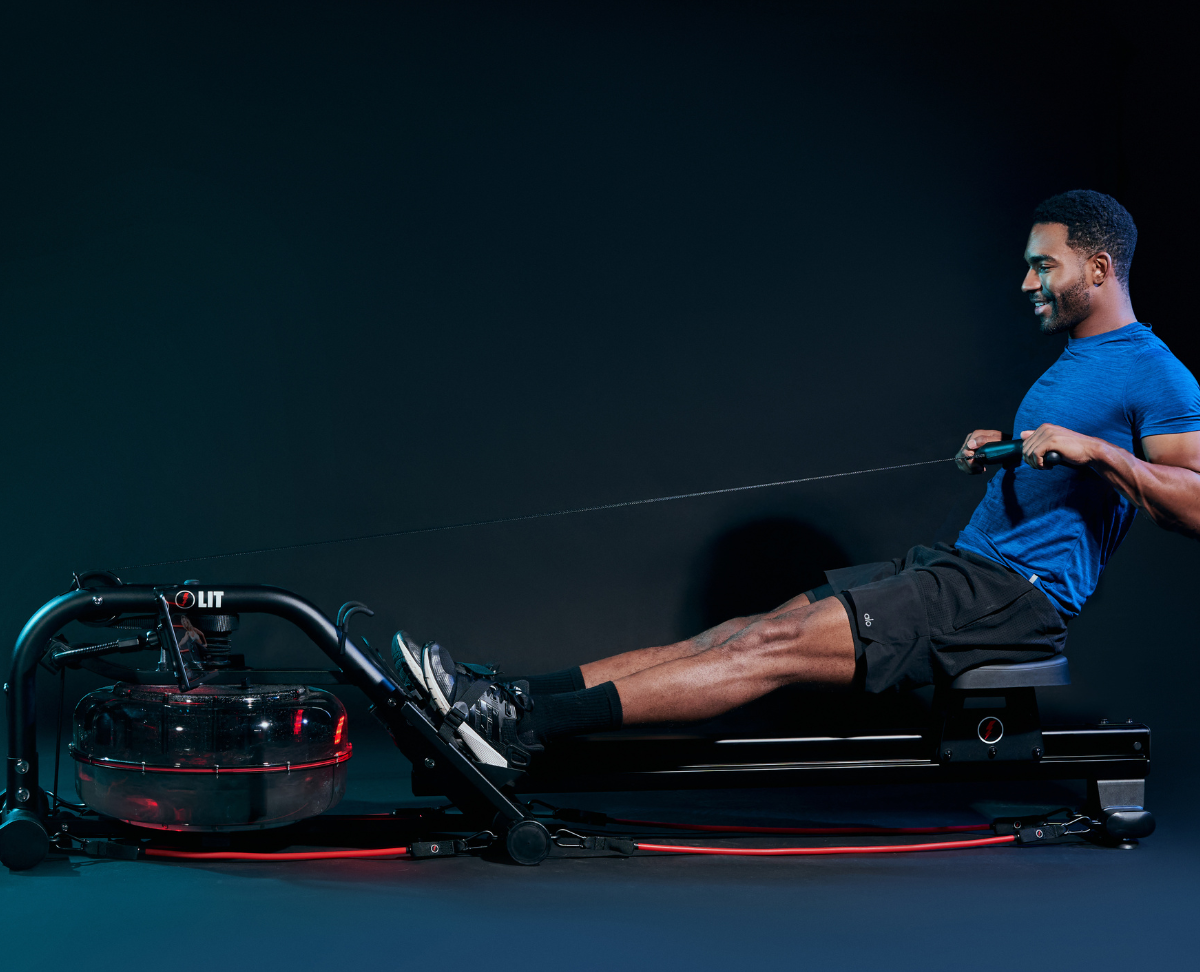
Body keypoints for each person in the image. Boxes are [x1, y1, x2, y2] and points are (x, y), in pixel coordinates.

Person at [393, 190, 1200, 769]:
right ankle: (504, 698)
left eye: (1042, 266)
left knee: (769, 647)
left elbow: (1192, 502)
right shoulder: (1078, 362)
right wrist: (1001, 450)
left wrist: (1101, 455)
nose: (1027, 284)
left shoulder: (1156, 374)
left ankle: (511, 729)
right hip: (963, 569)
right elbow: (1061, 471)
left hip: (1012, 599)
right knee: (736, 631)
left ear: (1097, 268)